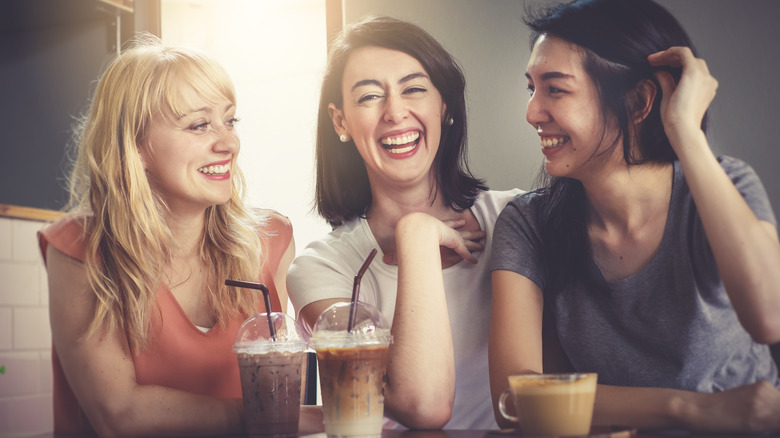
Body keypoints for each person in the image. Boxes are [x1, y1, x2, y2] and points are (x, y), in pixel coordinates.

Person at [489, 0, 780, 432]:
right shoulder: (529, 223)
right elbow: (514, 400)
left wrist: (686, 131)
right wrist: (692, 408)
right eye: (532, 88)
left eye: (556, 88)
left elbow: (769, 317)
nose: (532, 112)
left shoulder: (727, 184)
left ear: (639, 100)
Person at [37, 34, 320, 436]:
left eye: (230, 120)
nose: (229, 143)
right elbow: (119, 415)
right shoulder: (81, 250)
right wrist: (272, 416)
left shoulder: (271, 240)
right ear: (136, 146)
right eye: (200, 125)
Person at [287, 16, 522, 430]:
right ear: (340, 122)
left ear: (444, 106)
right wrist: (417, 233)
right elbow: (421, 406)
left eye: (414, 89)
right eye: (369, 97)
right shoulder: (320, 270)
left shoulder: (515, 219)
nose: (395, 112)